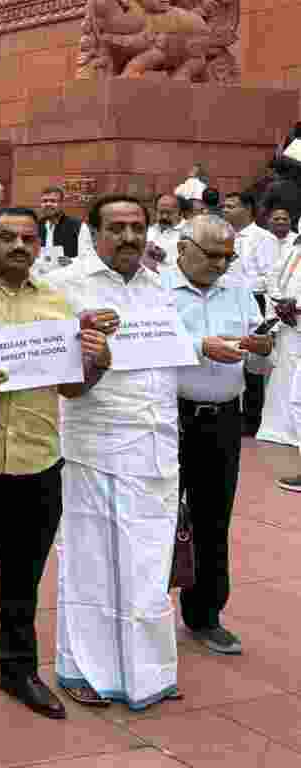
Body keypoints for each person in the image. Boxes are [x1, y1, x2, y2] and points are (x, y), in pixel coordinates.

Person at [0, 206, 113, 723]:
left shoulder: (60, 303)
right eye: (7, 237)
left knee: (25, 573)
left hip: (39, 457)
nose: (18, 245)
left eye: (28, 238)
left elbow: (72, 387)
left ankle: (18, 670)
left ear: (40, 246)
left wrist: (95, 364)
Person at [48, 194, 182, 710]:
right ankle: (80, 666)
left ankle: (147, 673)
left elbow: (170, 356)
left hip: (156, 442)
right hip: (96, 440)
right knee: (90, 559)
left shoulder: (158, 286)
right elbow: (56, 375)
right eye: (117, 228)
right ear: (95, 233)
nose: (129, 237)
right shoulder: (67, 288)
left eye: (137, 227)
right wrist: (82, 340)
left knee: (149, 560)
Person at [165, 214, 271, 655]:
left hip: (223, 419)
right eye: (212, 256)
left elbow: (257, 357)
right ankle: (144, 612)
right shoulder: (157, 292)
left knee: (214, 516)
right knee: (159, 514)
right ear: (182, 249)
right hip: (170, 415)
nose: (221, 265)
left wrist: (261, 350)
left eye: (228, 257)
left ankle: (205, 613)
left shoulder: (240, 290)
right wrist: (199, 346)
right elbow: (148, 347)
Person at [225, 191, 281, 435]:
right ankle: (234, 412)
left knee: (254, 360)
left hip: (254, 300)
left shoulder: (263, 238)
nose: (225, 210)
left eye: (231, 206)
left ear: (247, 209)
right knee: (230, 352)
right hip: (227, 300)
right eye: (224, 206)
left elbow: (270, 276)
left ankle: (252, 418)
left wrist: (241, 285)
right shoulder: (225, 236)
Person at [261, 219, 301, 449]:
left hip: (297, 317)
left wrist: (296, 305)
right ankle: (279, 430)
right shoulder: (291, 248)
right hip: (287, 323)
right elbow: (273, 278)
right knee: (284, 375)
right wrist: (280, 302)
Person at [39, 186, 82, 260]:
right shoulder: (36, 226)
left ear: (62, 203)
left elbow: (88, 255)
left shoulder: (77, 226)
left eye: (53, 201)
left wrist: (72, 261)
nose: (48, 204)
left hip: (68, 270)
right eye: (44, 201)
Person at [147, 194, 183, 271]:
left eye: (169, 213)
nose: (164, 217)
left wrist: (165, 258)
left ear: (179, 213)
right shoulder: (148, 231)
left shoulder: (188, 233)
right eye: (161, 212)